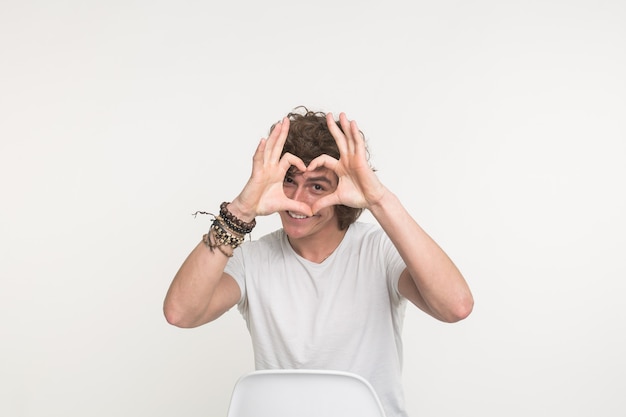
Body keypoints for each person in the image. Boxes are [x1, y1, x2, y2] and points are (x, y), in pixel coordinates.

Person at [164, 106, 474, 417]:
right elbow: (180, 313)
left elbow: (455, 306)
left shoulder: (378, 250)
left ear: (342, 191)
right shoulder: (252, 259)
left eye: (317, 186)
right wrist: (242, 210)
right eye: (290, 180)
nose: (298, 199)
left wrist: (377, 198)